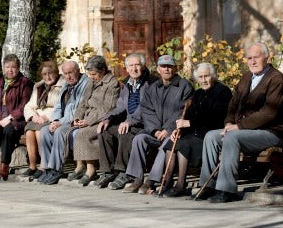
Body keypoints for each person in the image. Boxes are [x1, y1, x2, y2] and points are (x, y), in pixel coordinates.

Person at [197, 43, 283, 203]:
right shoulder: (246, 77)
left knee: (233, 138)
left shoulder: (276, 79)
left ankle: (227, 190)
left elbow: (269, 113)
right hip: (246, 131)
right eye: (249, 58)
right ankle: (208, 185)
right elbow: (233, 105)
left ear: (267, 58)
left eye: (257, 57)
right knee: (211, 136)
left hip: (271, 132)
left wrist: (238, 127)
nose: (252, 61)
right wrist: (228, 123)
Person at [122, 54, 194, 193]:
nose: (166, 69)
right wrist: (155, 130)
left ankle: (151, 181)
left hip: (173, 132)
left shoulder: (184, 86)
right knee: (139, 139)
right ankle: (137, 179)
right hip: (155, 131)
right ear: (158, 69)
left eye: (169, 66)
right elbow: (147, 110)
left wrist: (167, 129)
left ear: (176, 68)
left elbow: (182, 112)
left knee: (166, 144)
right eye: (163, 66)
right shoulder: (153, 87)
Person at [161, 63, 232, 197]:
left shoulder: (223, 92)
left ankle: (181, 184)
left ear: (213, 76)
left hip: (211, 133)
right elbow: (190, 116)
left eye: (207, 76)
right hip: (195, 132)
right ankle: (167, 182)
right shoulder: (198, 93)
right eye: (201, 77)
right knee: (171, 143)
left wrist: (189, 123)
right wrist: (179, 130)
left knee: (185, 145)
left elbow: (216, 118)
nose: (204, 80)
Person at [95, 54, 158, 189]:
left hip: (147, 124)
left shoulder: (152, 83)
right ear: (126, 68)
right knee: (104, 130)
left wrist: (130, 121)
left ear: (143, 66)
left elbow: (146, 107)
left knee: (125, 131)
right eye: (131, 65)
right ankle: (108, 171)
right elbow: (120, 106)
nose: (134, 69)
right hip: (131, 122)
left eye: (137, 65)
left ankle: (124, 172)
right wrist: (108, 119)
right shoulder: (127, 83)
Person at [0, 54, 33, 182]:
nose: (10, 70)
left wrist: (10, 117)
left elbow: (25, 103)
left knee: (9, 130)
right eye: (7, 67)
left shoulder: (25, 83)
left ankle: (4, 166)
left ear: (18, 68)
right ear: (4, 68)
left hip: (17, 122)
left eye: (13, 67)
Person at [69, 55, 120, 186]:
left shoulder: (112, 83)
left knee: (83, 133)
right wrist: (77, 117)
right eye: (90, 74)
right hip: (87, 117)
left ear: (102, 71)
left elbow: (107, 108)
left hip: (101, 120)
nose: (91, 77)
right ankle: (80, 166)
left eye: (94, 74)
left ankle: (91, 170)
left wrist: (88, 121)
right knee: (71, 131)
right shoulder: (91, 82)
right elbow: (83, 102)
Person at [37, 60, 88, 185]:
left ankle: (56, 169)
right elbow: (58, 107)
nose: (68, 76)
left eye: (70, 73)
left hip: (76, 122)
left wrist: (60, 123)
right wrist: (54, 121)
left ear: (78, 71)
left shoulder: (85, 84)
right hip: (63, 122)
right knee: (45, 131)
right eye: (65, 73)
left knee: (59, 132)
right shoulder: (66, 85)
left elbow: (77, 111)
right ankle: (48, 168)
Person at [21, 60, 65, 178]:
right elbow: (29, 106)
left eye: (50, 73)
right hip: (38, 117)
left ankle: (43, 166)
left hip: (52, 118)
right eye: (44, 74)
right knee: (29, 132)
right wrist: (33, 116)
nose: (48, 77)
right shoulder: (38, 86)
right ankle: (32, 166)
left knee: (40, 131)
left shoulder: (62, 85)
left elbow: (61, 106)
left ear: (56, 73)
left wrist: (47, 116)